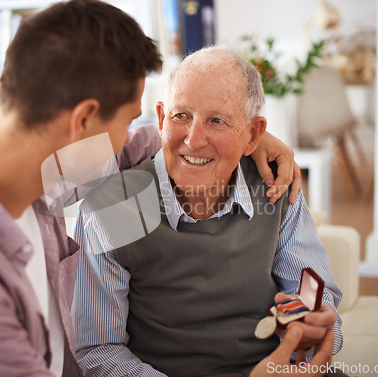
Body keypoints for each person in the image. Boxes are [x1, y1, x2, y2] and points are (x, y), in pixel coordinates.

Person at [0, 1, 303, 377]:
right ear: (83, 121)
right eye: (127, 120)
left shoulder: (37, 174)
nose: (129, 138)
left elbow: (161, 143)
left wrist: (247, 141)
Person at [73, 46, 346, 377]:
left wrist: (316, 328)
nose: (194, 139)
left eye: (217, 120)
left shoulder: (274, 187)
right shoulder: (114, 210)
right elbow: (99, 350)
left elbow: (314, 297)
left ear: (254, 135)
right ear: (161, 119)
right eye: (181, 116)